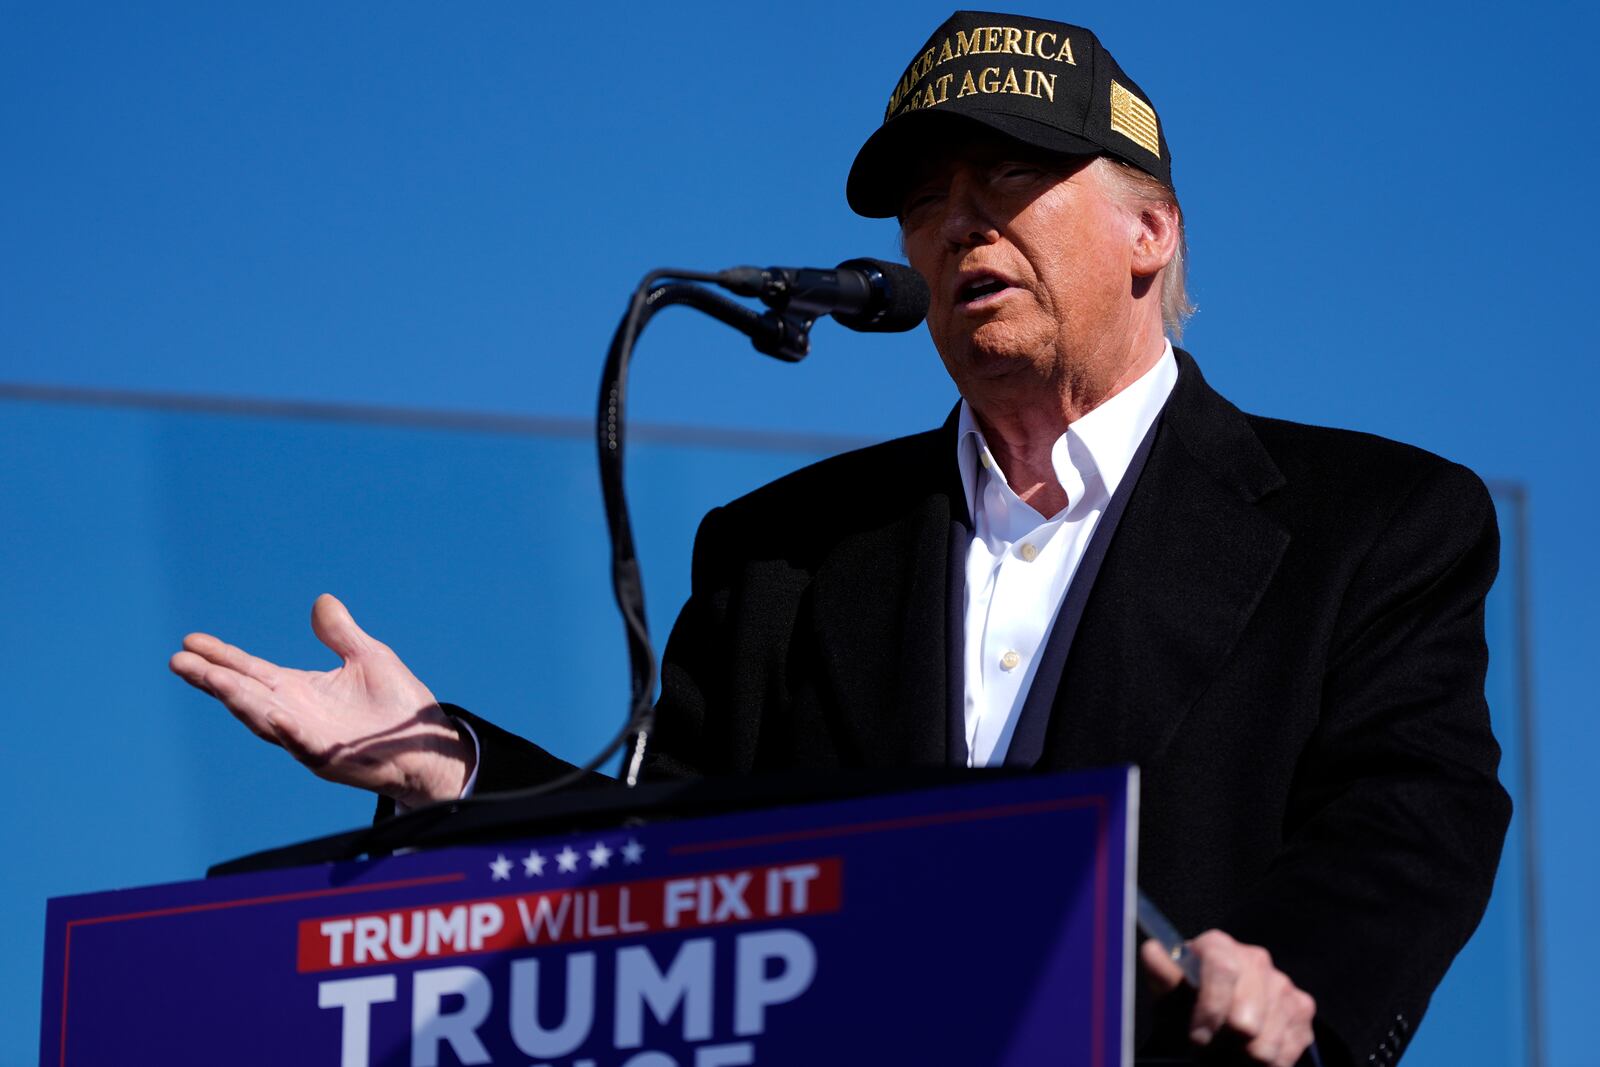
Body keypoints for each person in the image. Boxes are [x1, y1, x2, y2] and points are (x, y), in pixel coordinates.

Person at [170, 12, 1509, 1066]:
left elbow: (1414, 811)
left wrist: (1290, 982)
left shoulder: (1372, 523)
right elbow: (664, 860)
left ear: (1151, 229)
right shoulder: (783, 553)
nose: (960, 222)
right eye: (927, 198)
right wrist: (451, 762)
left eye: (1014, 175)